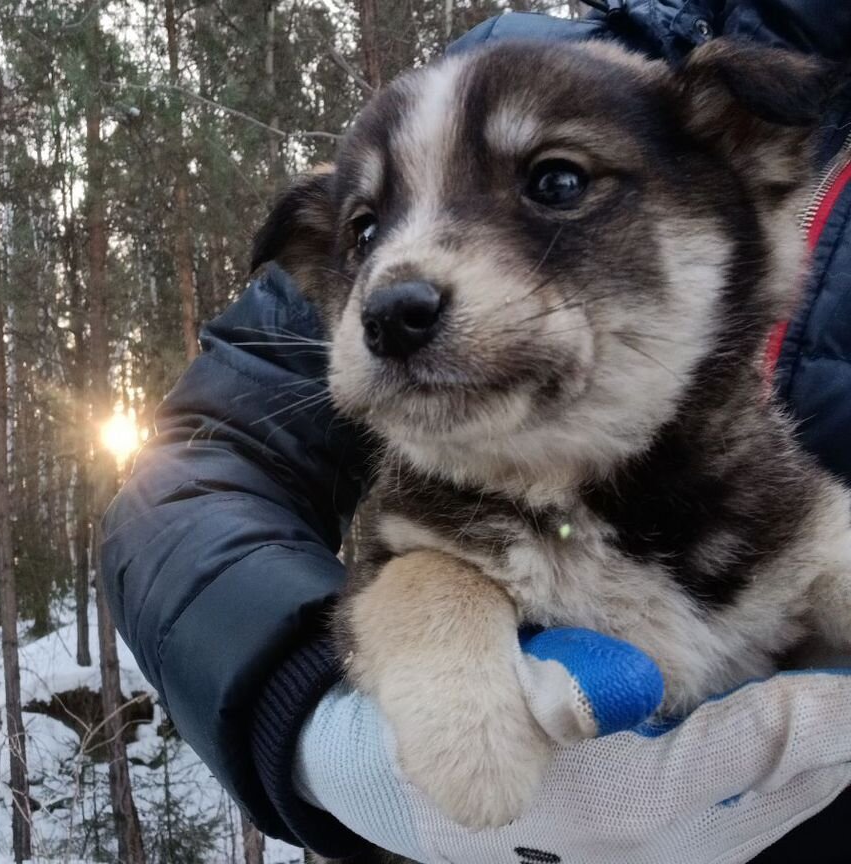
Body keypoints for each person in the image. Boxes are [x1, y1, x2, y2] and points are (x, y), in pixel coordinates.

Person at [101, 2, 851, 862]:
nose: (396, 285)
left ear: (742, 157)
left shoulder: (785, 517)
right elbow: (203, 457)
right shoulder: (533, 54)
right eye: (366, 231)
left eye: (555, 183)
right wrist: (308, 713)